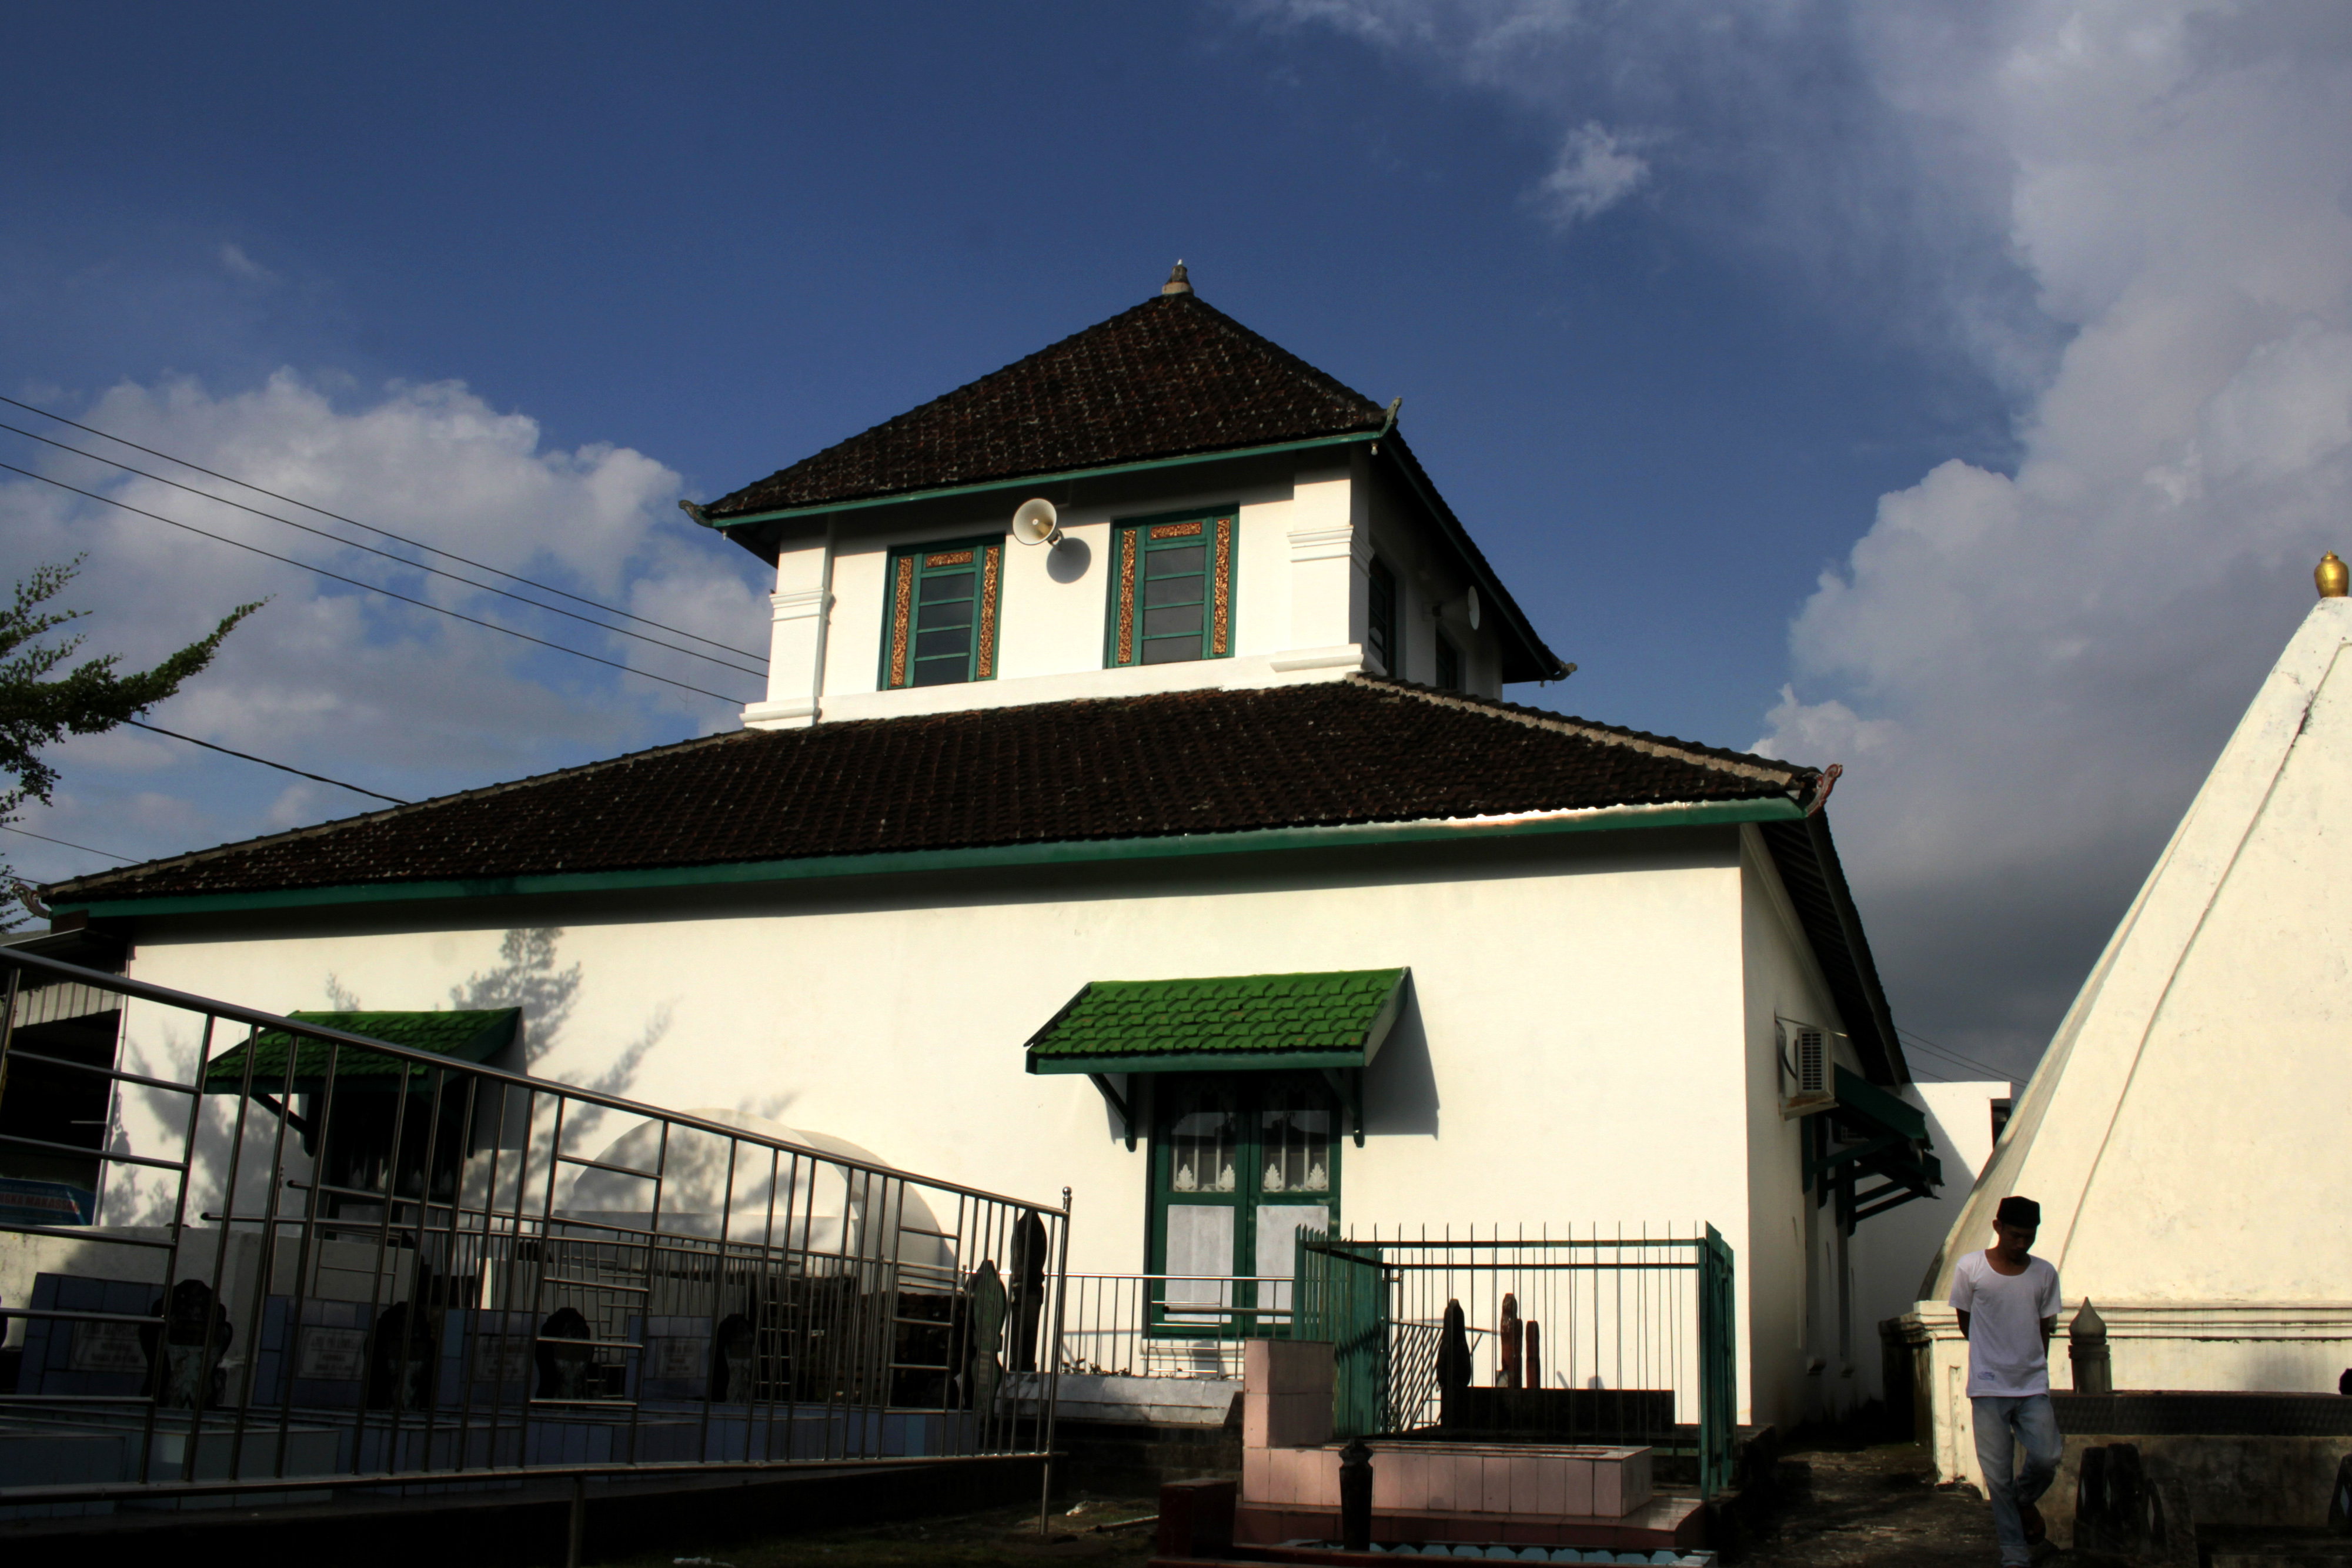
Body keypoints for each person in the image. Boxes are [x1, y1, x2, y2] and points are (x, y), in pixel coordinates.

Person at [1951, 1195, 2064, 1566]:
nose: (2021, 1243)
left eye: (2028, 1237)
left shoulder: (2044, 1273)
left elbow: (2044, 1327)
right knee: (1997, 1477)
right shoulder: (1971, 1268)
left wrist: (2032, 1365)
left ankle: (2023, 1499)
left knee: (2047, 1457)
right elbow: (1967, 1324)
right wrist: (1992, 1357)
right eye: (2015, 1235)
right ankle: (2014, 1553)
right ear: (1998, 1228)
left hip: (2032, 1386)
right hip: (1988, 1387)